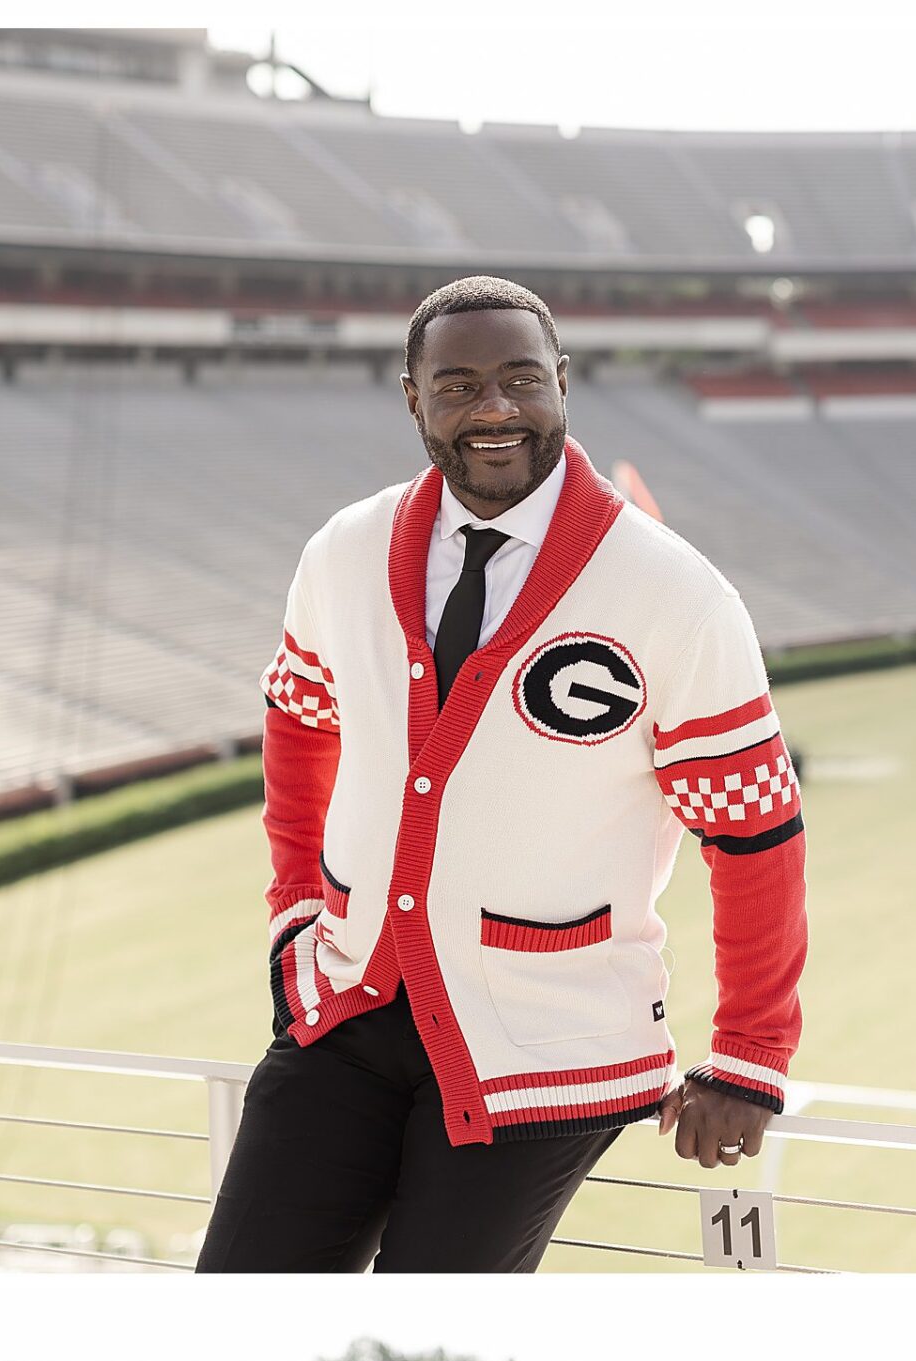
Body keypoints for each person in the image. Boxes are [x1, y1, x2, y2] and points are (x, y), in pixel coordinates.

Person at [197, 273, 808, 1272]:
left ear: (563, 384)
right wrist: (293, 906)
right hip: (344, 1007)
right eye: (459, 384)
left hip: (549, 1044)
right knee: (241, 1313)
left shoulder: (673, 592)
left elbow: (754, 831)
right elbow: (299, 720)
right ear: (412, 396)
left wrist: (750, 1056)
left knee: (434, 1353)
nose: (494, 409)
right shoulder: (343, 551)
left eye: (522, 380)